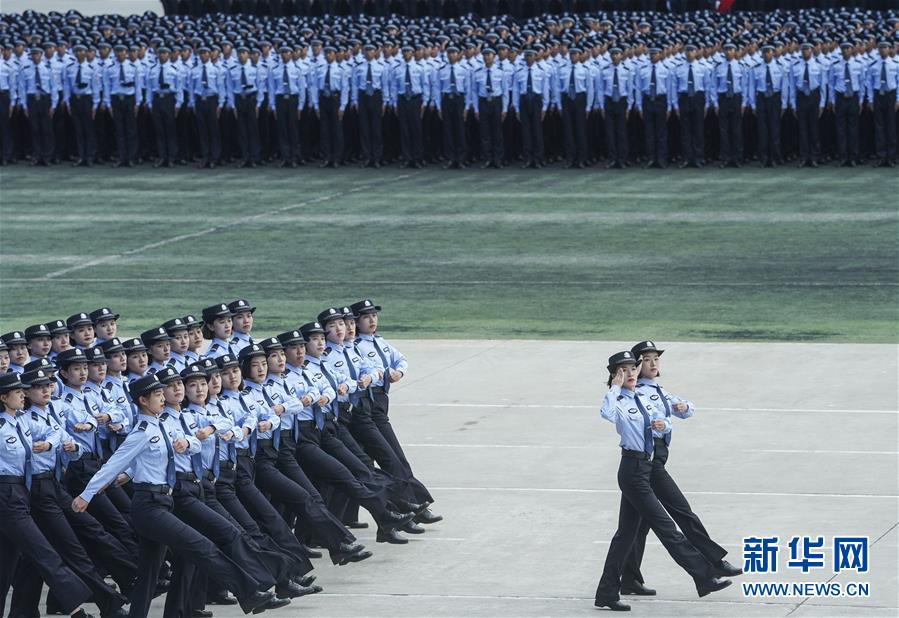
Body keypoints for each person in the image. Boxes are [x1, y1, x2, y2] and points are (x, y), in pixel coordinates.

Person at [72, 373, 279, 617]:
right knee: (202, 546)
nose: (163, 397)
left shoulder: (164, 424)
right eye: (158, 394)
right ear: (143, 400)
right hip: (149, 507)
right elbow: (114, 464)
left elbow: (196, 444)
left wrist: (187, 444)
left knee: (149, 571)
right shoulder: (142, 432)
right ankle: (249, 593)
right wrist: (86, 495)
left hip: (163, 502)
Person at [594, 351, 732, 611]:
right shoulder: (619, 400)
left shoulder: (643, 397)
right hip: (633, 471)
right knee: (666, 528)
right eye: (624, 370)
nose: (632, 373)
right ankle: (703, 576)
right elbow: (606, 414)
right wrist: (614, 387)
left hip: (646, 468)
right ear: (614, 375)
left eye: (633, 368)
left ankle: (606, 592)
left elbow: (667, 420)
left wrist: (663, 425)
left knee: (625, 536)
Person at [620, 341, 743, 598]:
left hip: (653, 461)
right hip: (649, 464)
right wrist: (666, 419)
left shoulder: (657, 389)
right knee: (680, 511)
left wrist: (683, 408)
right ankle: (713, 563)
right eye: (647, 360)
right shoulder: (637, 392)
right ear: (636, 365)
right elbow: (655, 422)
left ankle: (629, 578)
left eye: (656, 359)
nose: (654, 364)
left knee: (634, 528)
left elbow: (685, 409)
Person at [0, 372, 97, 618]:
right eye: (18, 392)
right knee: (43, 551)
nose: (23, 395)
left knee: (8, 563)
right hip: (6, 494)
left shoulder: (22, 420)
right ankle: (75, 607)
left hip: (22, 492)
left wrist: (50, 445)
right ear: (3, 398)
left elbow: (57, 433)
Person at [866, 41, 897, 168]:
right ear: (878, 50)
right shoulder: (873, 65)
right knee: (879, 128)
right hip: (878, 96)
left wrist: (898, 99)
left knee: (891, 127)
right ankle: (881, 156)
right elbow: (869, 83)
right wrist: (871, 100)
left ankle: (891, 157)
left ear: (889, 49)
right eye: (881, 48)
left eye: (885, 47)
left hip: (890, 95)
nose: (883, 50)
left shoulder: (895, 64)